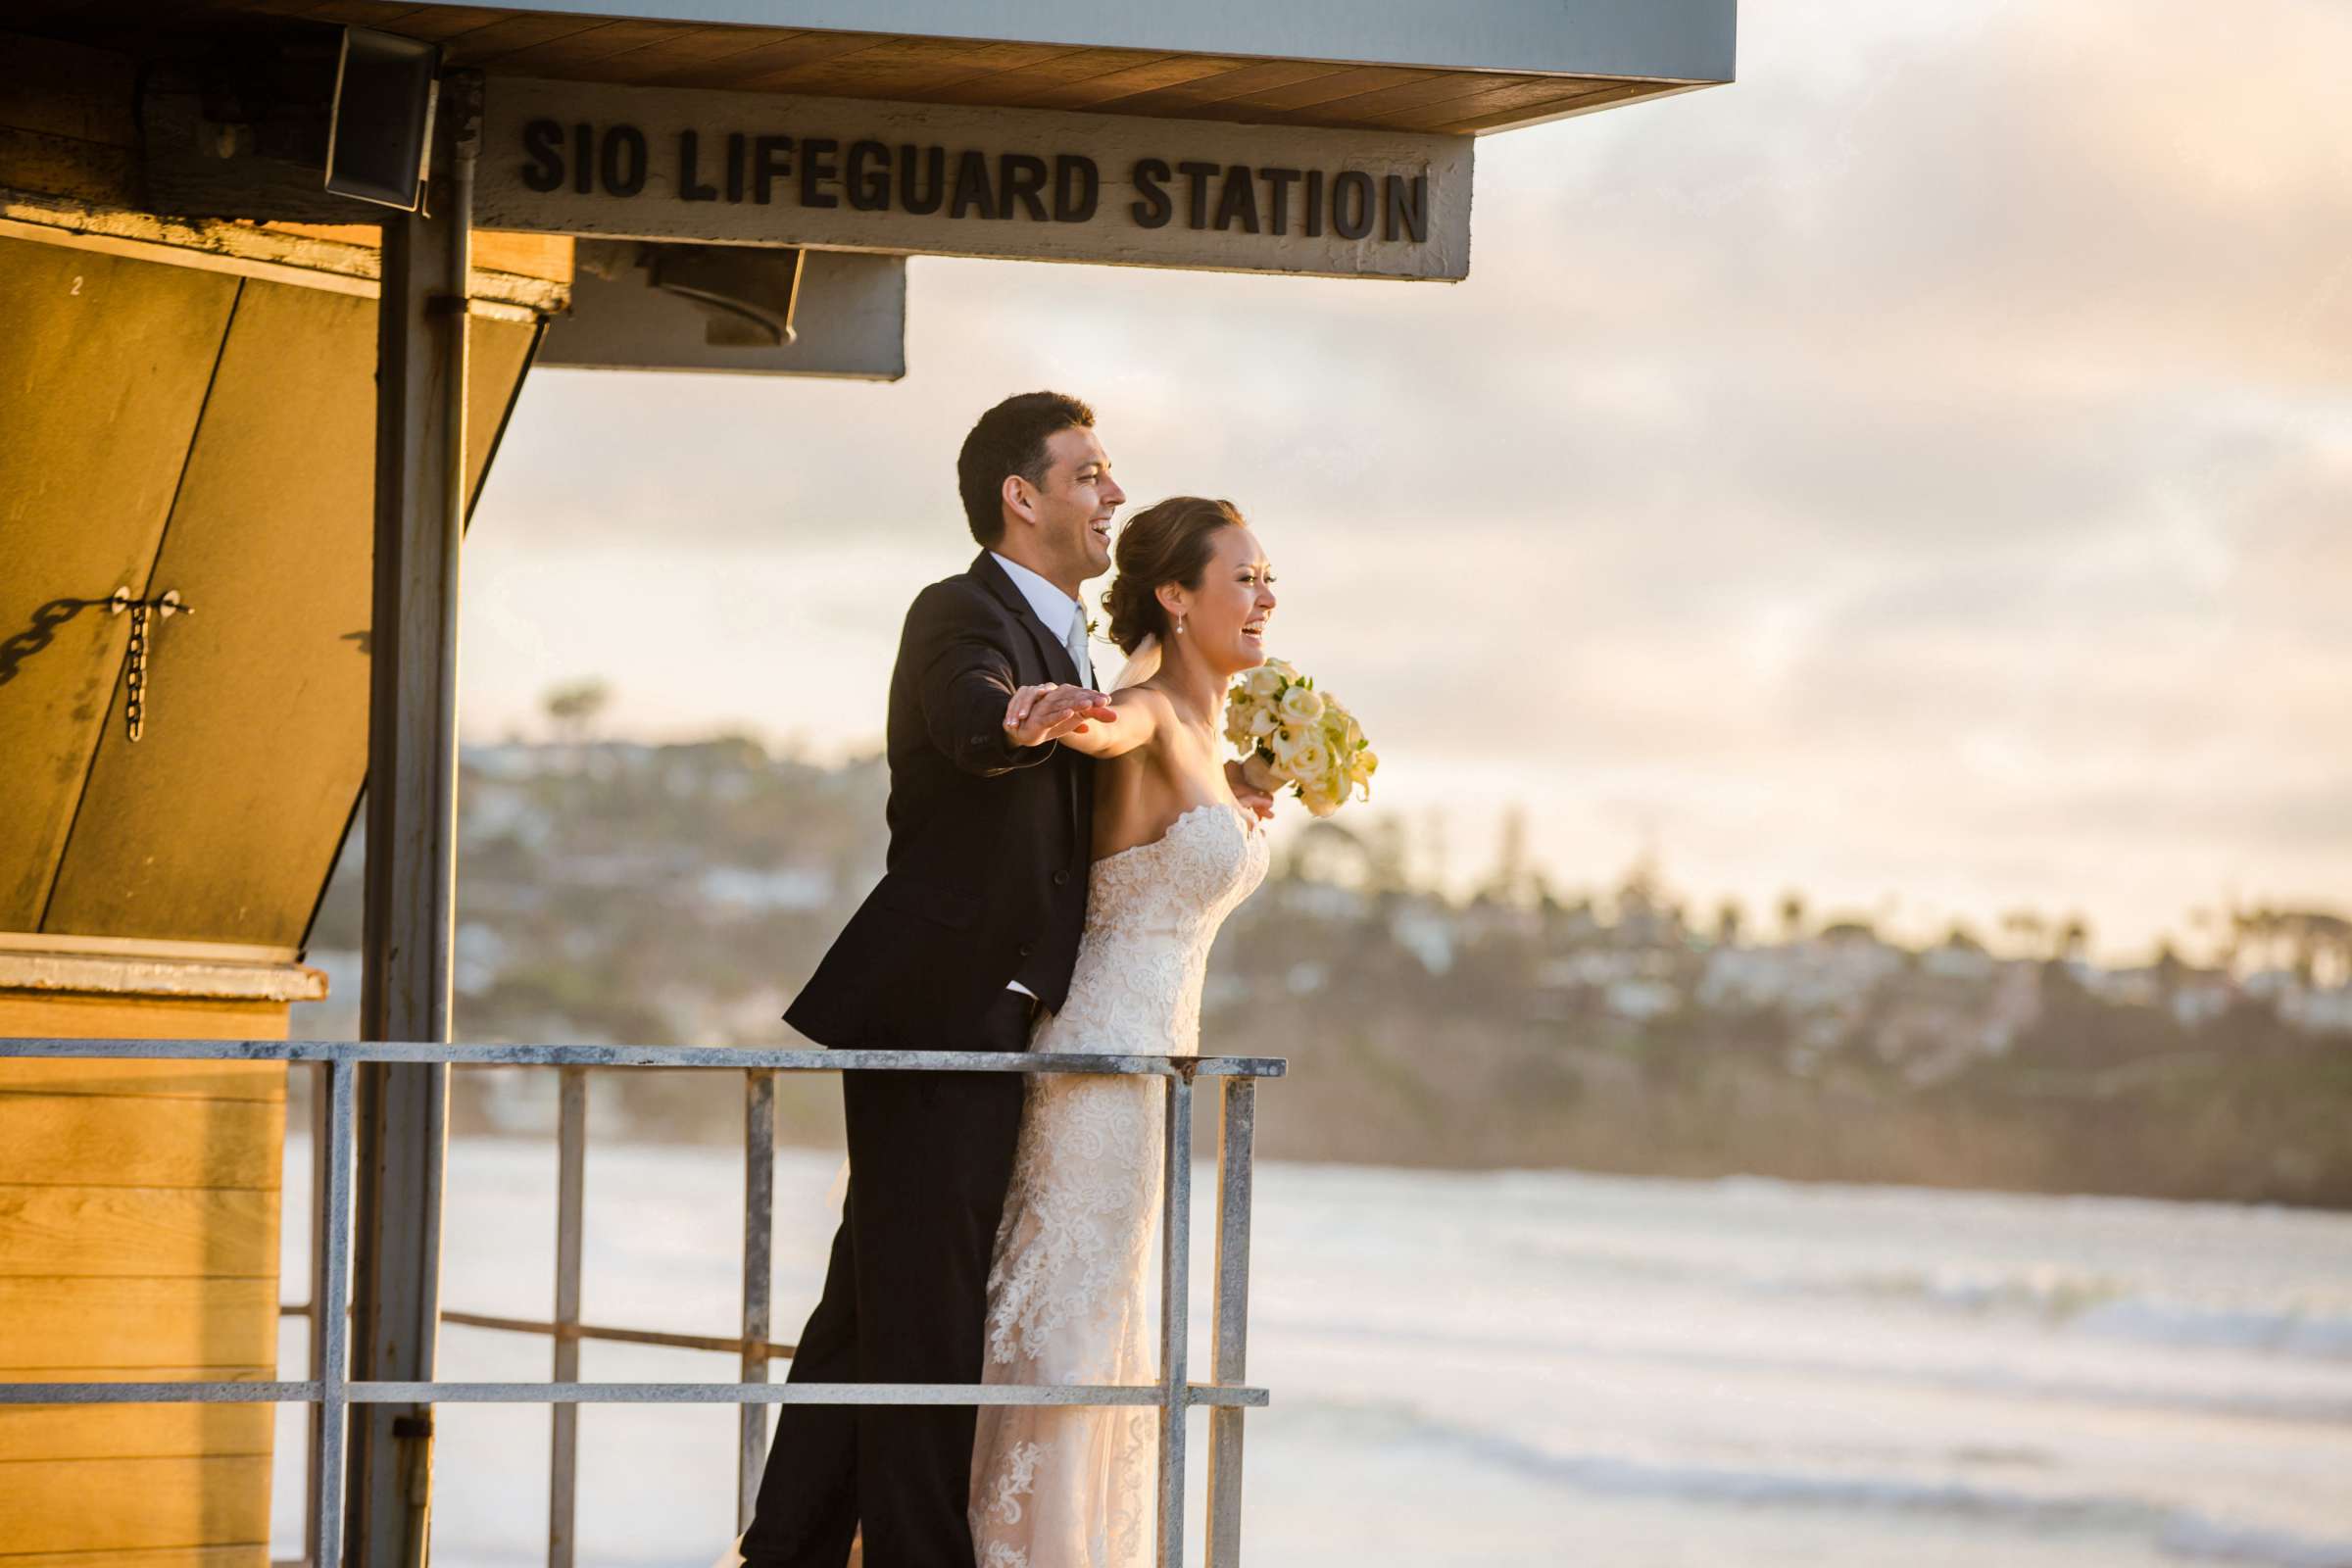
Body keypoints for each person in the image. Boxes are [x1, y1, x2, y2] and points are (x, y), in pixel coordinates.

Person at [735, 397, 1268, 1568]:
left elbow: (1107, 786)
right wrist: (1021, 720)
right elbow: (973, 713)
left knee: (873, 1309)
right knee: (924, 1323)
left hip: (1015, 1018)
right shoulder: (960, 613)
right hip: (940, 1012)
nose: (1110, 498)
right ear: (1020, 497)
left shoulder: (1075, 640)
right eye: (1088, 475)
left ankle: (785, 1550)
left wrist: (1221, 786)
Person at [969, 496, 1282, 1568]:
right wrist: (1067, 712)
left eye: (1266, 578)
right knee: (1066, 1318)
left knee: (1113, 1326)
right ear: (1176, 596)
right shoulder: (1146, 710)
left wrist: (1249, 789)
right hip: (1100, 1055)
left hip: (1155, 1073)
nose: (1265, 596)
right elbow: (1112, 727)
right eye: (1242, 578)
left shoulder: (1210, 737)